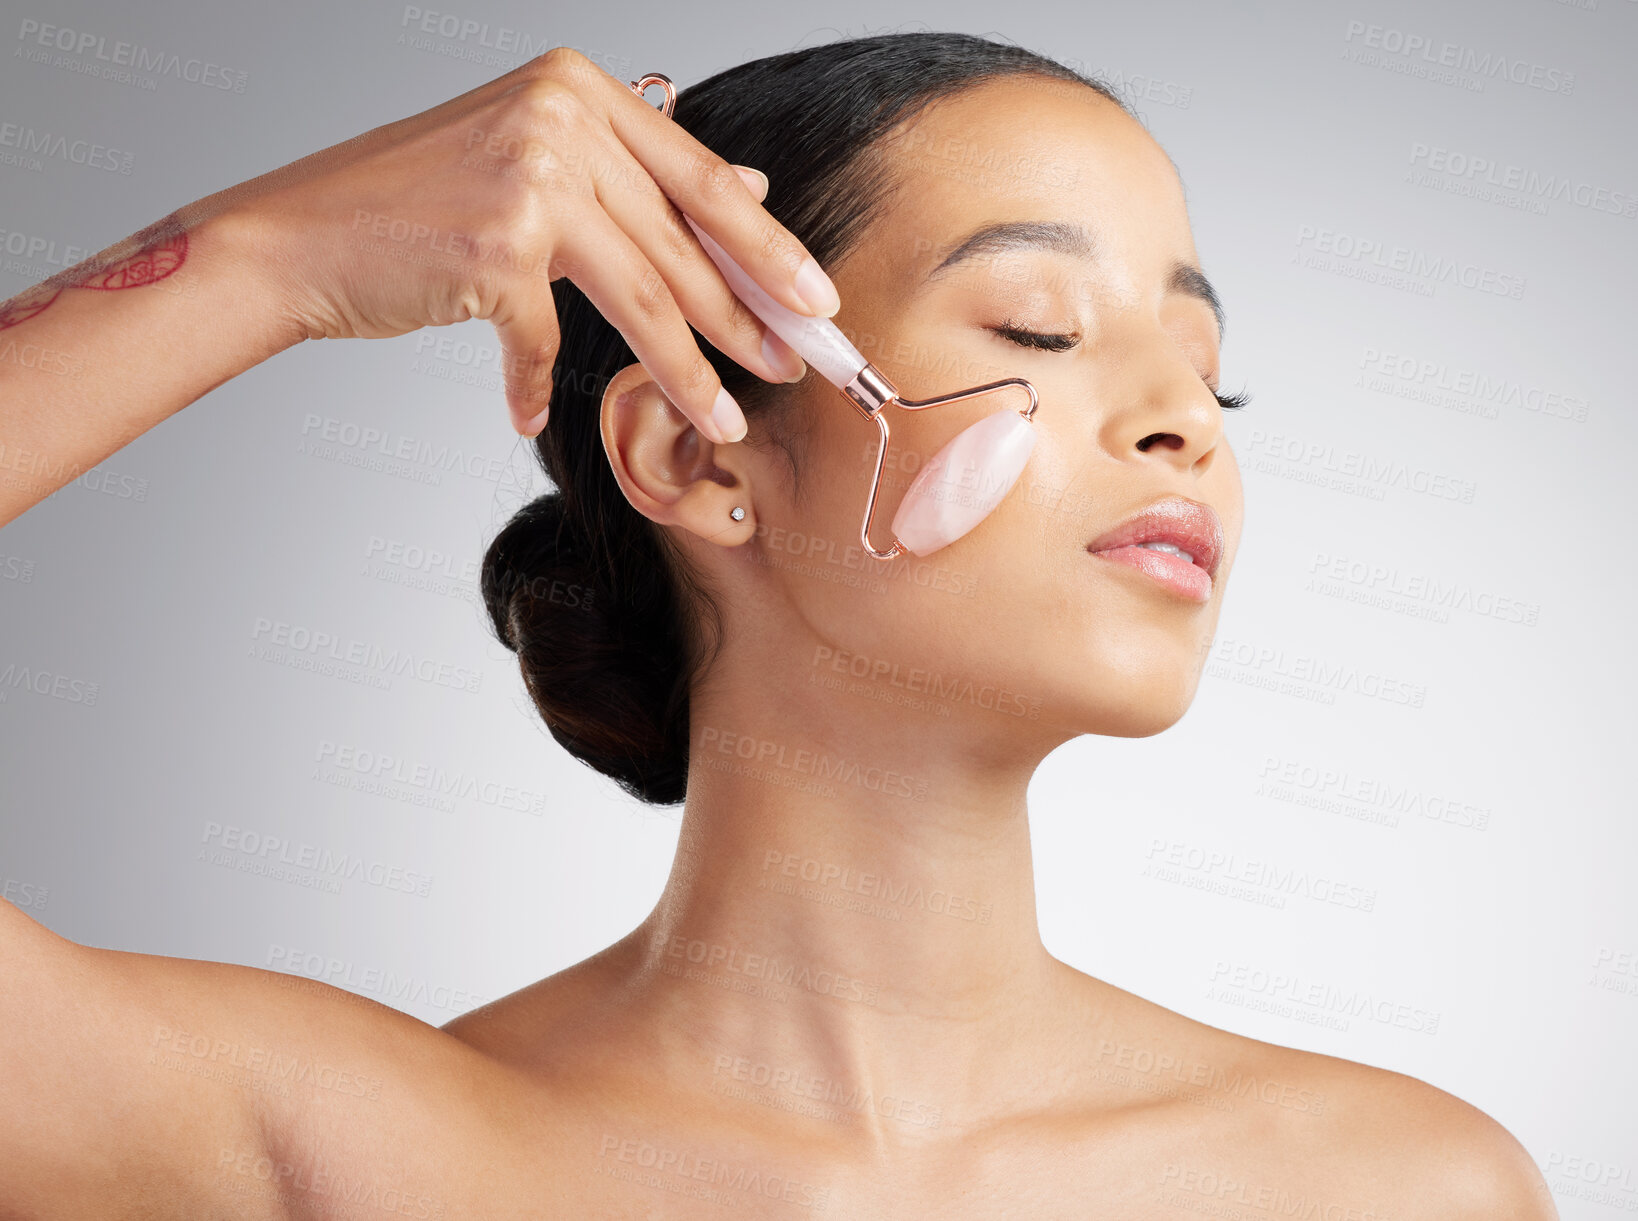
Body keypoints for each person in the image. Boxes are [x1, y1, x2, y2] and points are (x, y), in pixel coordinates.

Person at [0, 31, 1556, 1219]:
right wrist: (274, 258)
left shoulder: (1396, 1188)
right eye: (1038, 325)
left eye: (1204, 370)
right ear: (693, 454)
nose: (1182, 426)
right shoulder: (347, 1151)